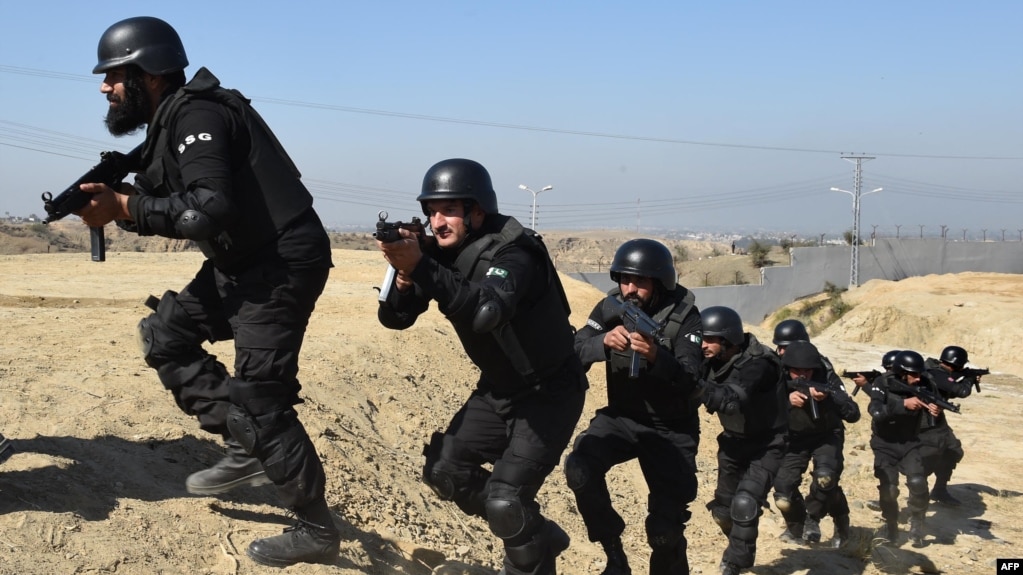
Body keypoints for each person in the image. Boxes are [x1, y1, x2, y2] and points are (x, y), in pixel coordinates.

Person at [75, 17, 338, 567]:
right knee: (165, 334)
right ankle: (243, 441)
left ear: (146, 74)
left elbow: (208, 208)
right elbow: (169, 204)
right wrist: (120, 202)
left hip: (279, 264)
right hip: (238, 263)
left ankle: (315, 527)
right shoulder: (168, 127)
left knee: (264, 403)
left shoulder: (198, 115)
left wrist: (124, 208)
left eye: (114, 75)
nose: (105, 87)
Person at [376, 158, 587, 575]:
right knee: (445, 471)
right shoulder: (439, 252)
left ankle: (525, 545)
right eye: (431, 211)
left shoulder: (515, 251)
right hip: (499, 389)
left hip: (550, 393)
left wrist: (422, 266)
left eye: (449, 210)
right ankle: (537, 532)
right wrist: (404, 276)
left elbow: (487, 311)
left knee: (506, 501)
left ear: (477, 211)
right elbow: (395, 318)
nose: (437, 222)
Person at [565, 239, 703, 575]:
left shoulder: (685, 316)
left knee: (664, 532)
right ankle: (614, 555)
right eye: (625, 279)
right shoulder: (611, 306)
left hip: (671, 427)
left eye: (640, 281)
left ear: (660, 282)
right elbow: (575, 350)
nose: (630, 289)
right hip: (623, 418)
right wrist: (602, 343)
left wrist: (657, 356)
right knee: (580, 468)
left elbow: (693, 380)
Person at [699, 306, 787, 575]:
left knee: (745, 503)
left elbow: (735, 397)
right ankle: (739, 541)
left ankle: (735, 562)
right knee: (723, 513)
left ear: (727, 340)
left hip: (768, 445)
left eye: (709, 339)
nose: (702, 345)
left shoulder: (760, 364)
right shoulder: (711, 360)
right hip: (733, 443)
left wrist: (694, 388)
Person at [772, 341, 860, 548]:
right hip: (794, 440)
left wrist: (828, 398)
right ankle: (796, 526)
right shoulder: (777, 377)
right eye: (796, 371)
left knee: (825, 479)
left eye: (807, 370)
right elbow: (759, 410)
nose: (802, 375)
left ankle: (820, 518)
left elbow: (853, 413)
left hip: (827, 436)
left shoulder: (827, 376)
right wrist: (786, 401)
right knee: (783, 491)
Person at [866, 350, 940, 547]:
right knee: (889, 489)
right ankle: (891, 526)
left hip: (910, 442)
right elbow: (876, 411)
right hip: (884, 444)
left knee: (918, 482)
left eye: (919, 374)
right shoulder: (883, 383)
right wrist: (903, 405)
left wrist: (933, 409)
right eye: (913, 375)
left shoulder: (925, 383)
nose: (917, 379)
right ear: (901, 372)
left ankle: (917, 523)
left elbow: (933, 404)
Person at [921, 345, 976, 506]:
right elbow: (961, 391)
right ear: (957, 364)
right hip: (927, 422)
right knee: (927, 457)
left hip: (936, 420)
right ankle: (919, 494)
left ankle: (939, 490)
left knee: (952, 450)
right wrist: (969, 379)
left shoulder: (934, 370)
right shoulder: (937, 373)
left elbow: (945, 391)